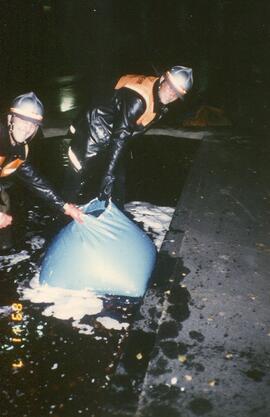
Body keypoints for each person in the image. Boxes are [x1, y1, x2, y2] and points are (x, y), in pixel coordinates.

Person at [65, 65, 193, 208]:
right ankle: (63, 216)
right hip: (95, 128)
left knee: (118, 179)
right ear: (163, 79)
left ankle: (116, 216)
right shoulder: (139, 99)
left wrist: (110, 172)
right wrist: (108, 174)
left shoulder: (157, 93)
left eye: (177, 94)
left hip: (114, 128)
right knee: (77, 176)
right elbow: (120, 135)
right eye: (170, 88)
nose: (171, 96)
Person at [0, 92, 83, 251]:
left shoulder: (20, 149)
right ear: (10, 118)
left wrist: (65, 207)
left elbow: (35, 181)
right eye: (23, 120)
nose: (27, 129)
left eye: (33, 124)